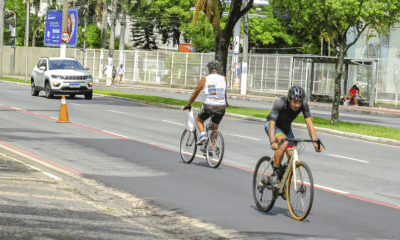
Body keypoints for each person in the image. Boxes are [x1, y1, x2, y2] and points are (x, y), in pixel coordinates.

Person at [266, 86, 323, 188]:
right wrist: (272, 141)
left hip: (286, 129)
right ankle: (275, 173)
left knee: (291, 153)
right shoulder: (279, 103)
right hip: (274, 126)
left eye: (299, 102)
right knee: (283, 142)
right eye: (294, 101)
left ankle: (283, 175)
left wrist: (315, 141)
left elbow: (309, 124)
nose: (297, 105)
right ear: (289, 99)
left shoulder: (303, 105)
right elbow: (271, 124)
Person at [182, 60, 227, 145]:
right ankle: (212, 148)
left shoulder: (204, 80)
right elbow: (223, 92)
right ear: (217, 69)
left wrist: (189, 104)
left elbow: (195, 93)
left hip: (209, 106)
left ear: (208, 70)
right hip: (221, 107)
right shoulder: (224, 79)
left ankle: (202, 135)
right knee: (215, 128)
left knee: (199, 120)